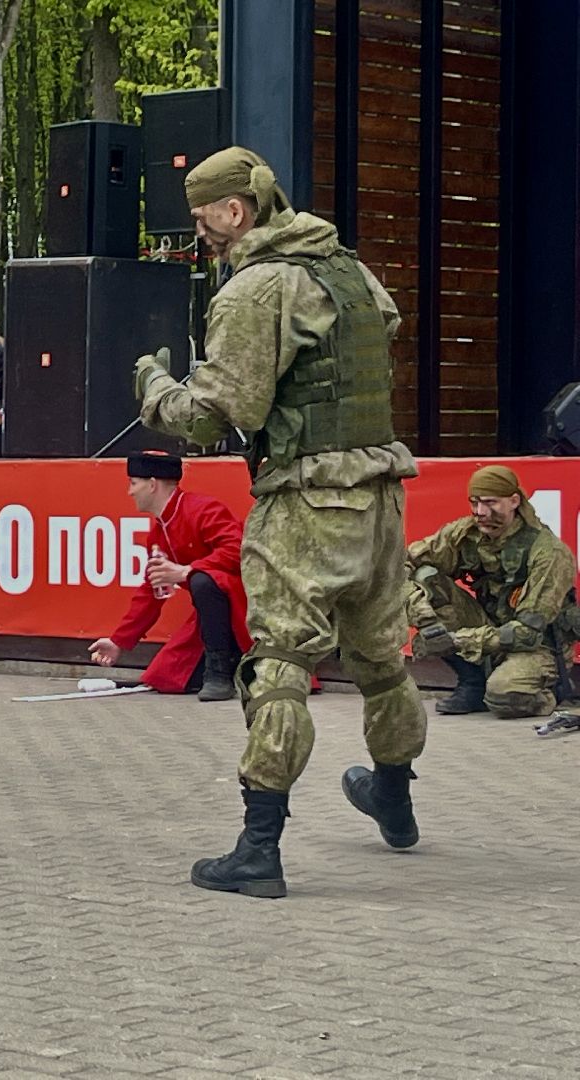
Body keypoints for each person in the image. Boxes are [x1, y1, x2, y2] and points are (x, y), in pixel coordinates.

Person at [132, 146, 426, 898]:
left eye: (203, 220)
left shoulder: (256, 288)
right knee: (381, 659)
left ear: (236, 211)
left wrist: (155, 387)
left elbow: (216, 415)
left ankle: (259, 849)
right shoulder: (349, 271)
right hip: (381, 494)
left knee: (280, 665)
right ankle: (394, 799)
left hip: (306, 500)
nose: (199, 235)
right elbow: (381, 332)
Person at [406, 464, 579, 719]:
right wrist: (422, 615)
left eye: (490, 503)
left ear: (514, 501)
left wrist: (456, 641)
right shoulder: (466, 534)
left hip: (536, 646)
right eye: (475, 502)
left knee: (503, 695)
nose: (480, 512)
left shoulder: (549, 553)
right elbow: (405, 562)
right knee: (425, 577)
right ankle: (473, 684)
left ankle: (547, 692)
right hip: (488, 628)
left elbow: (527, 633)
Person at [86, 451, 248, 701]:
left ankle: (220, 674)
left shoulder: (203, 509)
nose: (130, 492)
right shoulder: (158, 533)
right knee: (165, 676)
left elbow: (238, 551)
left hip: (244, 608)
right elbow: (151, 592)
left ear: (152, 485)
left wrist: (187, 571)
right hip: (214, 619)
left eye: (133, 483)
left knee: (203, 581)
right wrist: (119, 642)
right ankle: (226, 667)